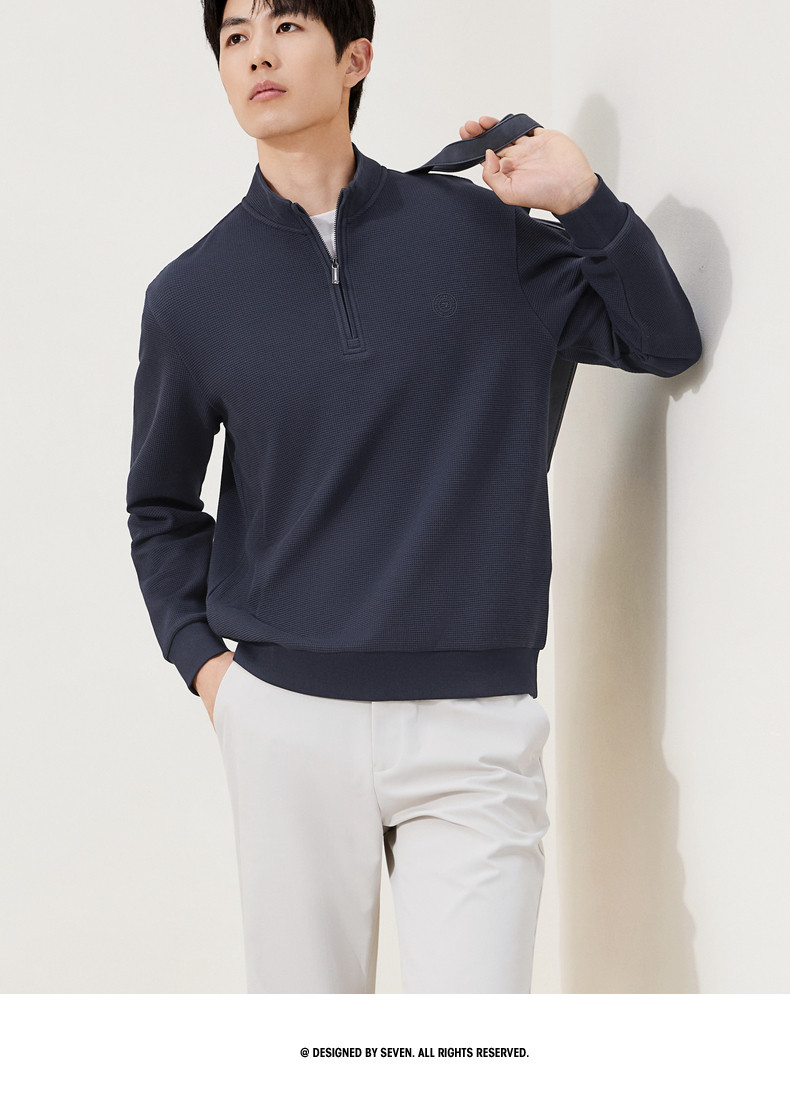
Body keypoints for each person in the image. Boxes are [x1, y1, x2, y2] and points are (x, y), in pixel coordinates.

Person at [126, 0, 702, 994]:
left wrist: (582, 199)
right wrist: (211, 673)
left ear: (356, 57)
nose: (256, 53)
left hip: (474, 723)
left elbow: (662, 340)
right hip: (286, 721)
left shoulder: (485, 238)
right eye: (234, 36)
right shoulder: (191, 296)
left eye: (286, 26)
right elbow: (161, 509)